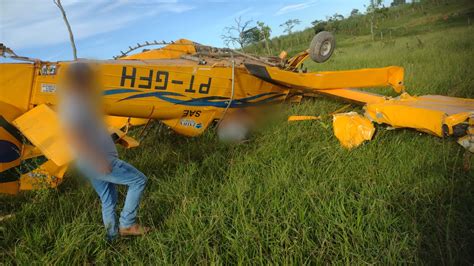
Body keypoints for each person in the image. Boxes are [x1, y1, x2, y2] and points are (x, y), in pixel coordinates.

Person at [59, 62, 149, 240]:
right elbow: (73, 135)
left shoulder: (80, 101)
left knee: (108, 200)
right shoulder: (74, 103)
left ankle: (112, 238)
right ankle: (128, 224)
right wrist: (98, 159)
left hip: (90, 160)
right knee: (139, 181)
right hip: (97, 159)